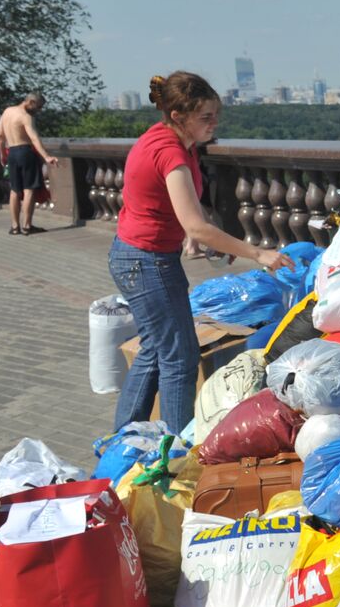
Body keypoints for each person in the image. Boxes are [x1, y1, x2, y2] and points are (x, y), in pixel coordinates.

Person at [108, 71, 294, 436]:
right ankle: (179, 450)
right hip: (148, 263)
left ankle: (125, 438)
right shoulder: (170, 151)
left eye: (216, 115)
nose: (214, 123)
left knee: (154, 351)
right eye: (205, 117)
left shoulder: (170, 140)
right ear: (179, 117)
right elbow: (195, 224)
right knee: (180, 357)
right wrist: (257, 253)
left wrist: (199, 238)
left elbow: (177, 209)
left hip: (135, 256)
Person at [0, 91, 58, 235]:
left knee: (14, 190)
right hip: (25, 152)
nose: (39, 111)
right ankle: (27, 226)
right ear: (31, 102)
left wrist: (2, 154)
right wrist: (46, 156)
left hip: (11, 152)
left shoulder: (7, 112)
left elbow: (0, 136)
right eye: (39, 107)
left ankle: (14, 226)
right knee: (29, 189)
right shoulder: (26, 117)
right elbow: (34, 138)